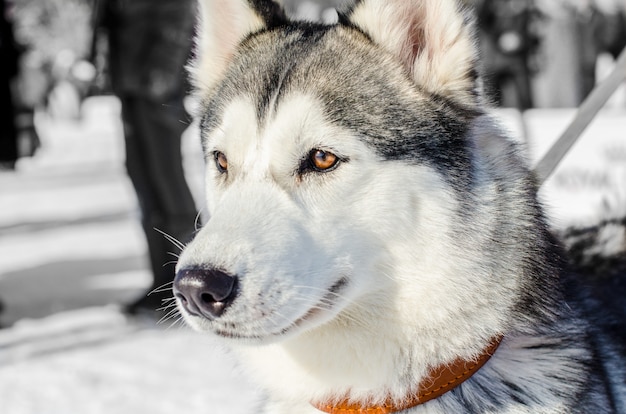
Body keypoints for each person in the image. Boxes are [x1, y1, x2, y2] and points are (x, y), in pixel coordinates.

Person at [92, 0, 199, 317]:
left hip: (158, 93)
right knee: (143, 183)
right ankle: (162, 282)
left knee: (169, 185)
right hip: (129, 86)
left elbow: (180, 20)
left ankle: (192, 277)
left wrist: (159, 79)